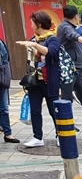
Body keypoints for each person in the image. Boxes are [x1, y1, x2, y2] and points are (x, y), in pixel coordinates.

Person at [16, 11, 61, 147]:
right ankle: (37, 137)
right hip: (34, 81)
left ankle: (60, 135)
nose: (31, 25)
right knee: (35, 111)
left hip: (49, 81)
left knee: (54, 110)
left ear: (39, 24)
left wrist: (35, 46)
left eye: (32, 23)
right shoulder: (33, 39)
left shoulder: (52, 39)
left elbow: (51, 52)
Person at [0, 39, 19, 143]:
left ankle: (7, 133)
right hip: (2, 78)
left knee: (3, 107)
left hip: (1, 79)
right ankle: (7, 133)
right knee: (3, 107)